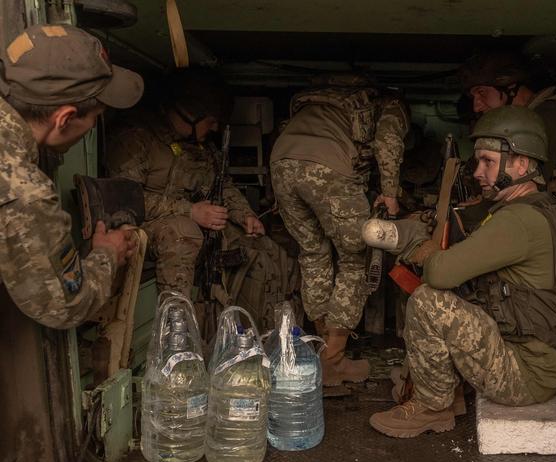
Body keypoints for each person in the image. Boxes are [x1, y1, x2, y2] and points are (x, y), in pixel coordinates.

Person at [369, 105, 556, 437]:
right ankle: (443, 391)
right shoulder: (540, 208)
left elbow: (440, 274)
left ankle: (433, 407)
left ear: (521, 163)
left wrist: (424, 250)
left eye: (488, 162)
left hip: (526, 375)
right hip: (537, 357)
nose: (478, 172)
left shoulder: (518, 220)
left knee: (429, 299)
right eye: (478, 162)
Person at [107, 68, 298, 335]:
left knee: (261, 247)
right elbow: (124, 199)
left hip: (194, 224)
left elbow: (221, 185)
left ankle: (258, 335)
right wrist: (190, 211)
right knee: (182, 232)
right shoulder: (137, 138)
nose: (214, 128)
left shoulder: (199, 147)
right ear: (189, 113)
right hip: (145, 228)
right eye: (210, 121)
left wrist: (244, 215)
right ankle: (177, 336)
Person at [270, 73, 410, 386]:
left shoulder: (319, 100)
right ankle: (333, 363)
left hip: (281, 163)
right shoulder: (389, 104)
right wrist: (390, 193)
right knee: (354, 259)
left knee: (313, 253)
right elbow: (388, 139)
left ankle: (320, 349)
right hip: (329, 169)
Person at [0, 24, 143, 328]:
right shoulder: (23, 191)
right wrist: (107, 253)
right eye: (95, 117)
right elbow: (65, 305)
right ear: (64, 118)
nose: (92, 127)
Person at [459, 50, 556, 219]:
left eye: (482, 93)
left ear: (510, 88)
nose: (476, 106)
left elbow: (523, 185)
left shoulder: (549, 116)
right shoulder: (535, 115)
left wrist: (479, 209)